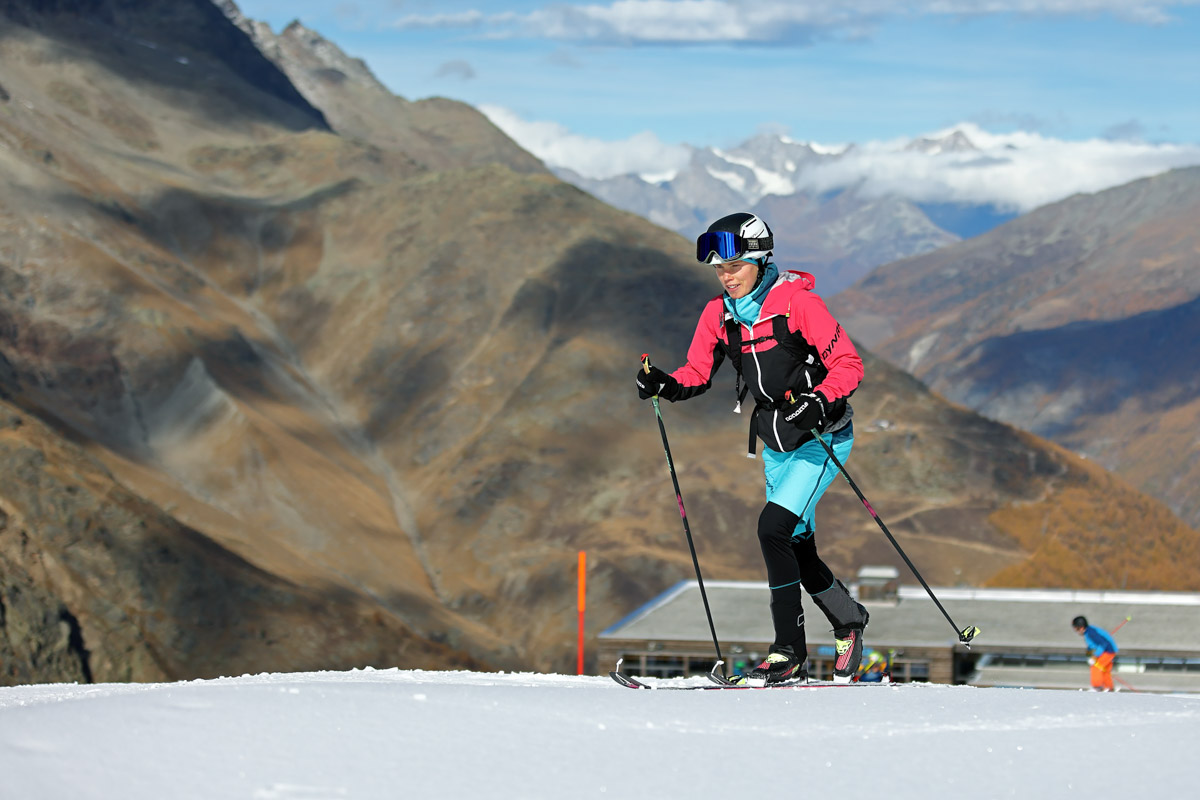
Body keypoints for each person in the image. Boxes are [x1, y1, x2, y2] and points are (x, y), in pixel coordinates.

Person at [635, 211, 868, 685]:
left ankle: (788, 651)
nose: (726, 276)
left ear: (761, 261)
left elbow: (848, 363)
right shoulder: (717, 314)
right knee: (796, 545)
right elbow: (696, 373)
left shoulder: (798, 305)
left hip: (821, 439)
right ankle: (849, 619)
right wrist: (664, 384)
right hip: (776, 446)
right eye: (720, 268)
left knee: (772, 530)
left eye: (735, 266)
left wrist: (820, 400)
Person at [1072, 615, 1118, 691]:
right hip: (1108, 651)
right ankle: (1109, 687)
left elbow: (1103, 644)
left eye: (1076, 629)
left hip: (1107, 651)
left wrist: (1095, 656)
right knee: (1104, 669)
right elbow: (1091, 646)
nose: (1077, 632)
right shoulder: (1088, 632)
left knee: (1096, 666)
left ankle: (1097, 687)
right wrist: (1089, 654)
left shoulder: (1091, 633)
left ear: (1081, 627)